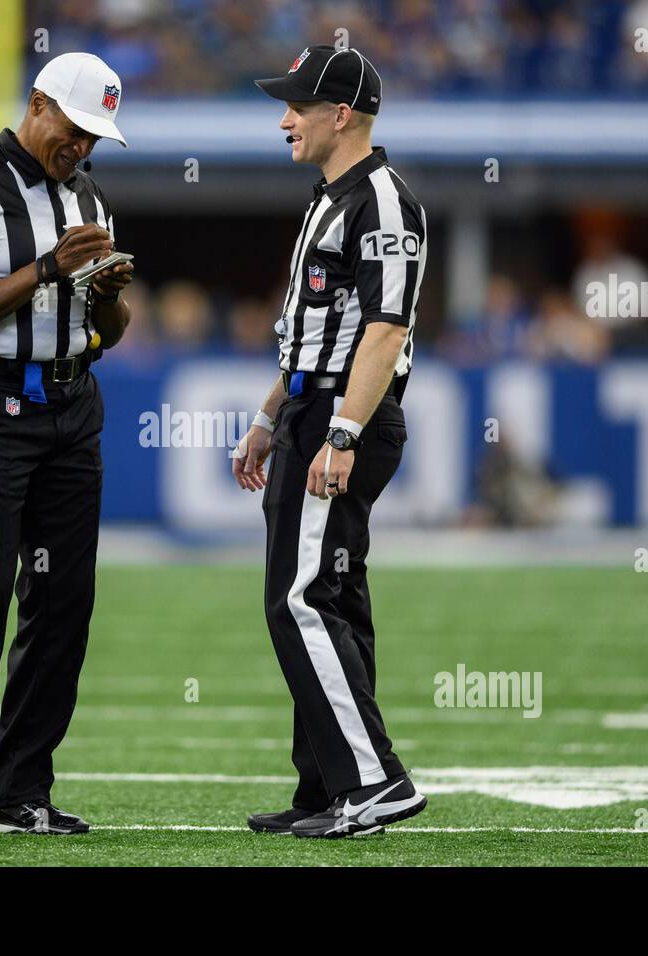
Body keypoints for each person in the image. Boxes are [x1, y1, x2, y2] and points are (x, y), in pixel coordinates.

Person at [0, 52, 133, 837]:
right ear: (38, 105)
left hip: (73, 401)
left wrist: (106, 296)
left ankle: (20, 787)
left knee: (65, 599)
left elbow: (109, 332)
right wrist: (46, 270)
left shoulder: (90, 195)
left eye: (95, 139)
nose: (82, 149)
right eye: (75, 131)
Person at [232, 45, 429, 838]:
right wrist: (269, 413)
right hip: (314, 408)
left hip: (346, 415)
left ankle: (374, 781)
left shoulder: (382, 199)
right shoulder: (332, 197)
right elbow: (312, 330)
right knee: (332, 592)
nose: (284, 119)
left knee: (300, 596)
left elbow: (386, 328)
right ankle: (325, 786)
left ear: (339, 113)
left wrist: (340, 431)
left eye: (297, 106)